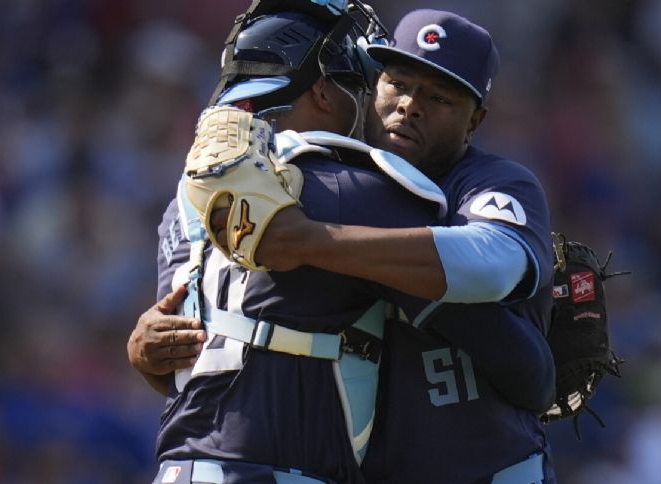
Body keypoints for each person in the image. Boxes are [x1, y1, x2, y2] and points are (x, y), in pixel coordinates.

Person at [131, 5, 557, 484]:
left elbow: (496, 271)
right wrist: (149, 349)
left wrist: (312, 242)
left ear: (475, 120)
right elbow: (533, 372)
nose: (410, 105)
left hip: (487, 468)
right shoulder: (350, 190)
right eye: (396, 83)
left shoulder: (494, 182)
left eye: (439, 99)